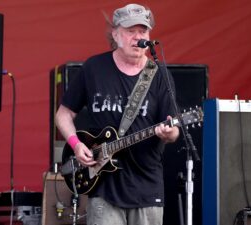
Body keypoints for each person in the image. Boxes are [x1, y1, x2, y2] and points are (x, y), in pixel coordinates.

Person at [55, 3, 180, 225]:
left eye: (143, 31)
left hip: (147, 187)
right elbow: (63, 114)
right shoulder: (94, 68)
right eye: (131, 31)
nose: (137, 37)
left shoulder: (159, 75)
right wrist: (76, 144)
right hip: (104, 188)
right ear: (116, 34)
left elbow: (174, 130)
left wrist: (168, 133)